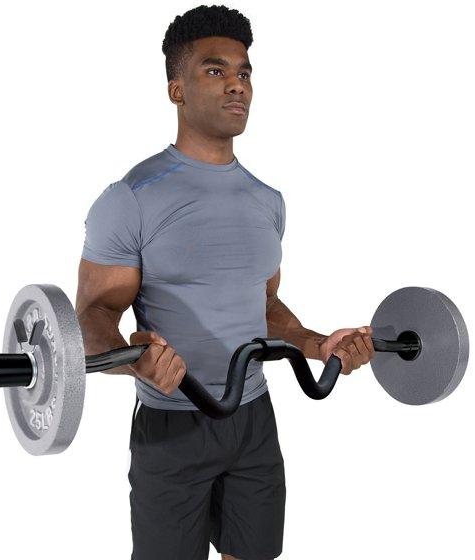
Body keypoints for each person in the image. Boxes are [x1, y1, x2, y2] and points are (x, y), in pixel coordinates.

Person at [75, 5, 375, 559]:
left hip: (253, 417)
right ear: (177, 90)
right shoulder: (131, 199)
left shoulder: (267, 201)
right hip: (173, 424)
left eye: (244, 72)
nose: (237, 84)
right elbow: (92, 319)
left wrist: (317, 345)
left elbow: (264, 306)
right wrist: (134, 360)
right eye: (215, 70)